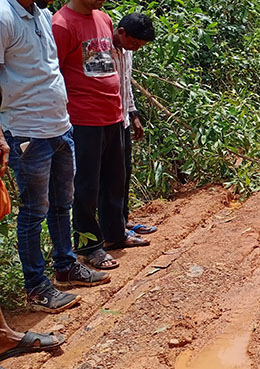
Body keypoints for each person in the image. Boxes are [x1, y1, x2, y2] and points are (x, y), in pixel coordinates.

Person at [1, 0, 110, 313]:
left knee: (62, 205)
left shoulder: (43, 14)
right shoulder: (4, 16)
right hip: (26, 131)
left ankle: (65, 265)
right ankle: (36, 287)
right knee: (34, 212)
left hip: (60, 127)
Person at [52, 0, 149, 271]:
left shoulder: (104, 19)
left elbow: (106, 66)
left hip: (113, 115)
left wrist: (126, 111)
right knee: (86, 186)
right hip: (83, 119)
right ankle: (89, 247)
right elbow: (53, 74)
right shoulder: (61, 25)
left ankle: (115, 234)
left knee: (115, 180)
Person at [111, 12, 157, 237]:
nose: (136, 49)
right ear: (122, 32)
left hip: (123, 120)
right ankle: (112, 228)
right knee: (110, 177)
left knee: (124, 172)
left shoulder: (127, 51)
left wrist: (134, 114)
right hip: (105, 122)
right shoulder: (103, 50)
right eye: (135, 43)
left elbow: (126, 84)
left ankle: (123, 220)